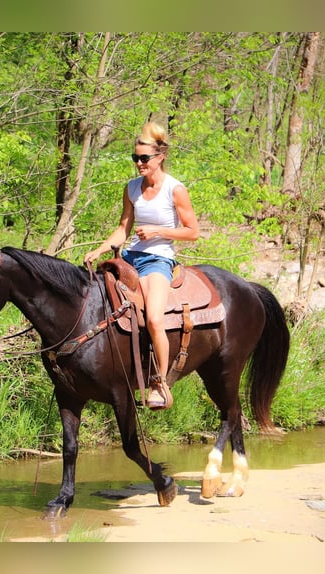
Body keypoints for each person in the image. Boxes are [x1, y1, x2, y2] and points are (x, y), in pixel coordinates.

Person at [84, 122, 199, 410]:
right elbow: (123, 227)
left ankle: (160, 382)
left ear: (159, 157)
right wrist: (99, 248)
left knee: (154, 320)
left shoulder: (175, 190)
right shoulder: (132, 188)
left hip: (158, 260)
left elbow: (192, 231)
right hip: (131, 258)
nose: (138, 163)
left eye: (143, 158)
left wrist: (159, 233)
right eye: (134, 158)